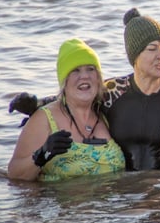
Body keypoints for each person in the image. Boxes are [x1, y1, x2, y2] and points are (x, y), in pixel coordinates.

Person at [8, 8, 160, 170]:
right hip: (125, 189)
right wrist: (36, 104)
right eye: (152, 49)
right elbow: (75, 99)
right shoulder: (113, 91)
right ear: (135, 55)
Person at [8, 38, 125, 181]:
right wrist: (43, 153)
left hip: (110, 201)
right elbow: (14, 174)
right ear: (64, 81)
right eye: (75, 70)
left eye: (90, 69)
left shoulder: (105, 113)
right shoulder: (44, 118)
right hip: (62, 200)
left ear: (99, 78)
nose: (85, 76)